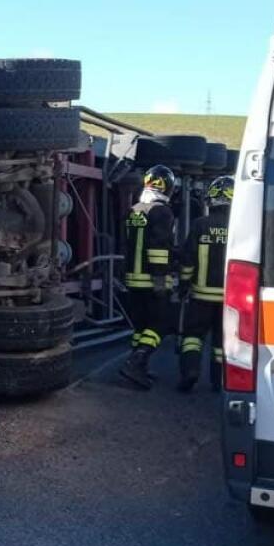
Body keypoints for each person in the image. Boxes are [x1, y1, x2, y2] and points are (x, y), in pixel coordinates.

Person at [119, 165, 177, 390]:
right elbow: (159, 248)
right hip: (151, 279)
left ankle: (137, 367)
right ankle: (136, 362)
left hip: (133, 279)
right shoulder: (162, 212)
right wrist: (161, 279)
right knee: (160, 325)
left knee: (140, 327)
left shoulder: (135, 209)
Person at [177, 175, 232, 392]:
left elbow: (188, 258)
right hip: (230, 299)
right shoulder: (240, 226)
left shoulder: (200, 224)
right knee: (222, 342)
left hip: (200, 296)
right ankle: (218, 382)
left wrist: (183, 284)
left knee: (192, 336)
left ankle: (190, 371)